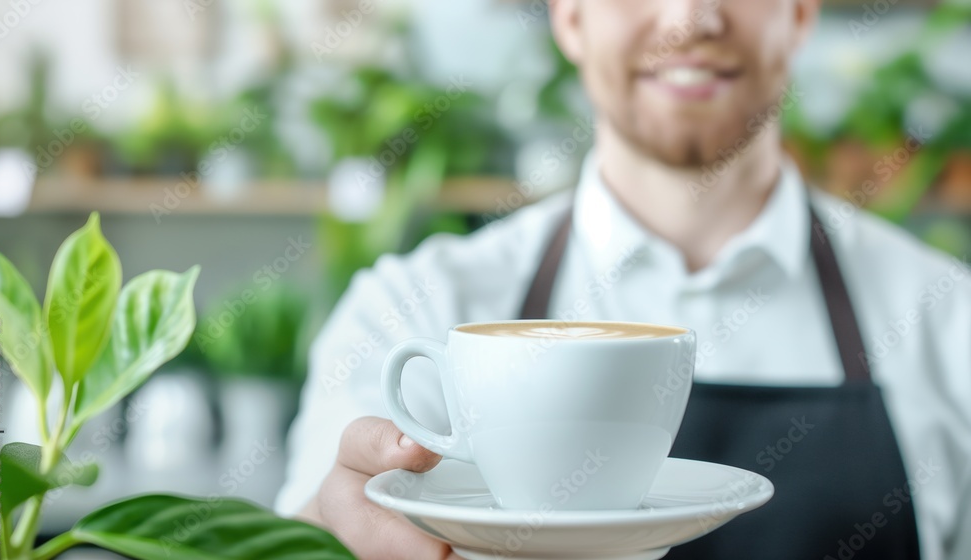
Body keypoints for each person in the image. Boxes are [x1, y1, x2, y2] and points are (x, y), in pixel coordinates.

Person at [275, 1, 971, 558]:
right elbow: (315, 527)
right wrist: (327, 532)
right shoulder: (411, 310)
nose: (689, 18)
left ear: (800, 15)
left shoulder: (946, 318)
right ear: (570, 17)